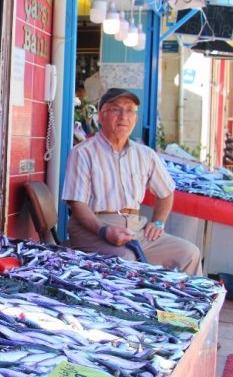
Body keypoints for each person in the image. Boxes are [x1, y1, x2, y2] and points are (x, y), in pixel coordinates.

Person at [61, 88, 202, 275]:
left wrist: (158, 223)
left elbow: (166, 191)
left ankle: (180, 303)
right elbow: (77, 204)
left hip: (136, 227)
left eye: (130, 111)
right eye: (116, 109)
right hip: (94, 228)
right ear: (101, 116)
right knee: (127, 259)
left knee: (189, 253)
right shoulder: (83, 153)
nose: (123, 116)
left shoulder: (145, 154)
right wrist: (104, 231)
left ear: (135, 119)